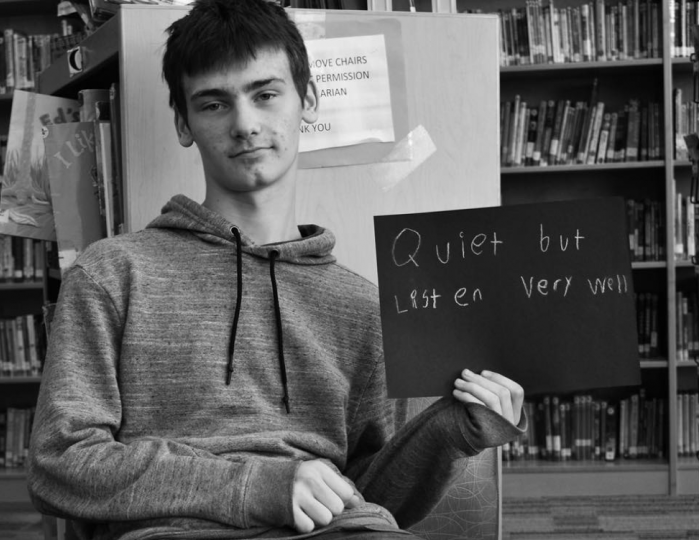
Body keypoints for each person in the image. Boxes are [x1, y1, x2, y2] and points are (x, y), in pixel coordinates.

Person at [27, 1, 525, 538]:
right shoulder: (113, 273)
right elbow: (60, 464)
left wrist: (454, 431)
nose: (245, 124)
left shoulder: (360, 305)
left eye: (266, 95)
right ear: (184, 123)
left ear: (306, 101)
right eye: (215, 104)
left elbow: (374, 500)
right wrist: (255, 487)